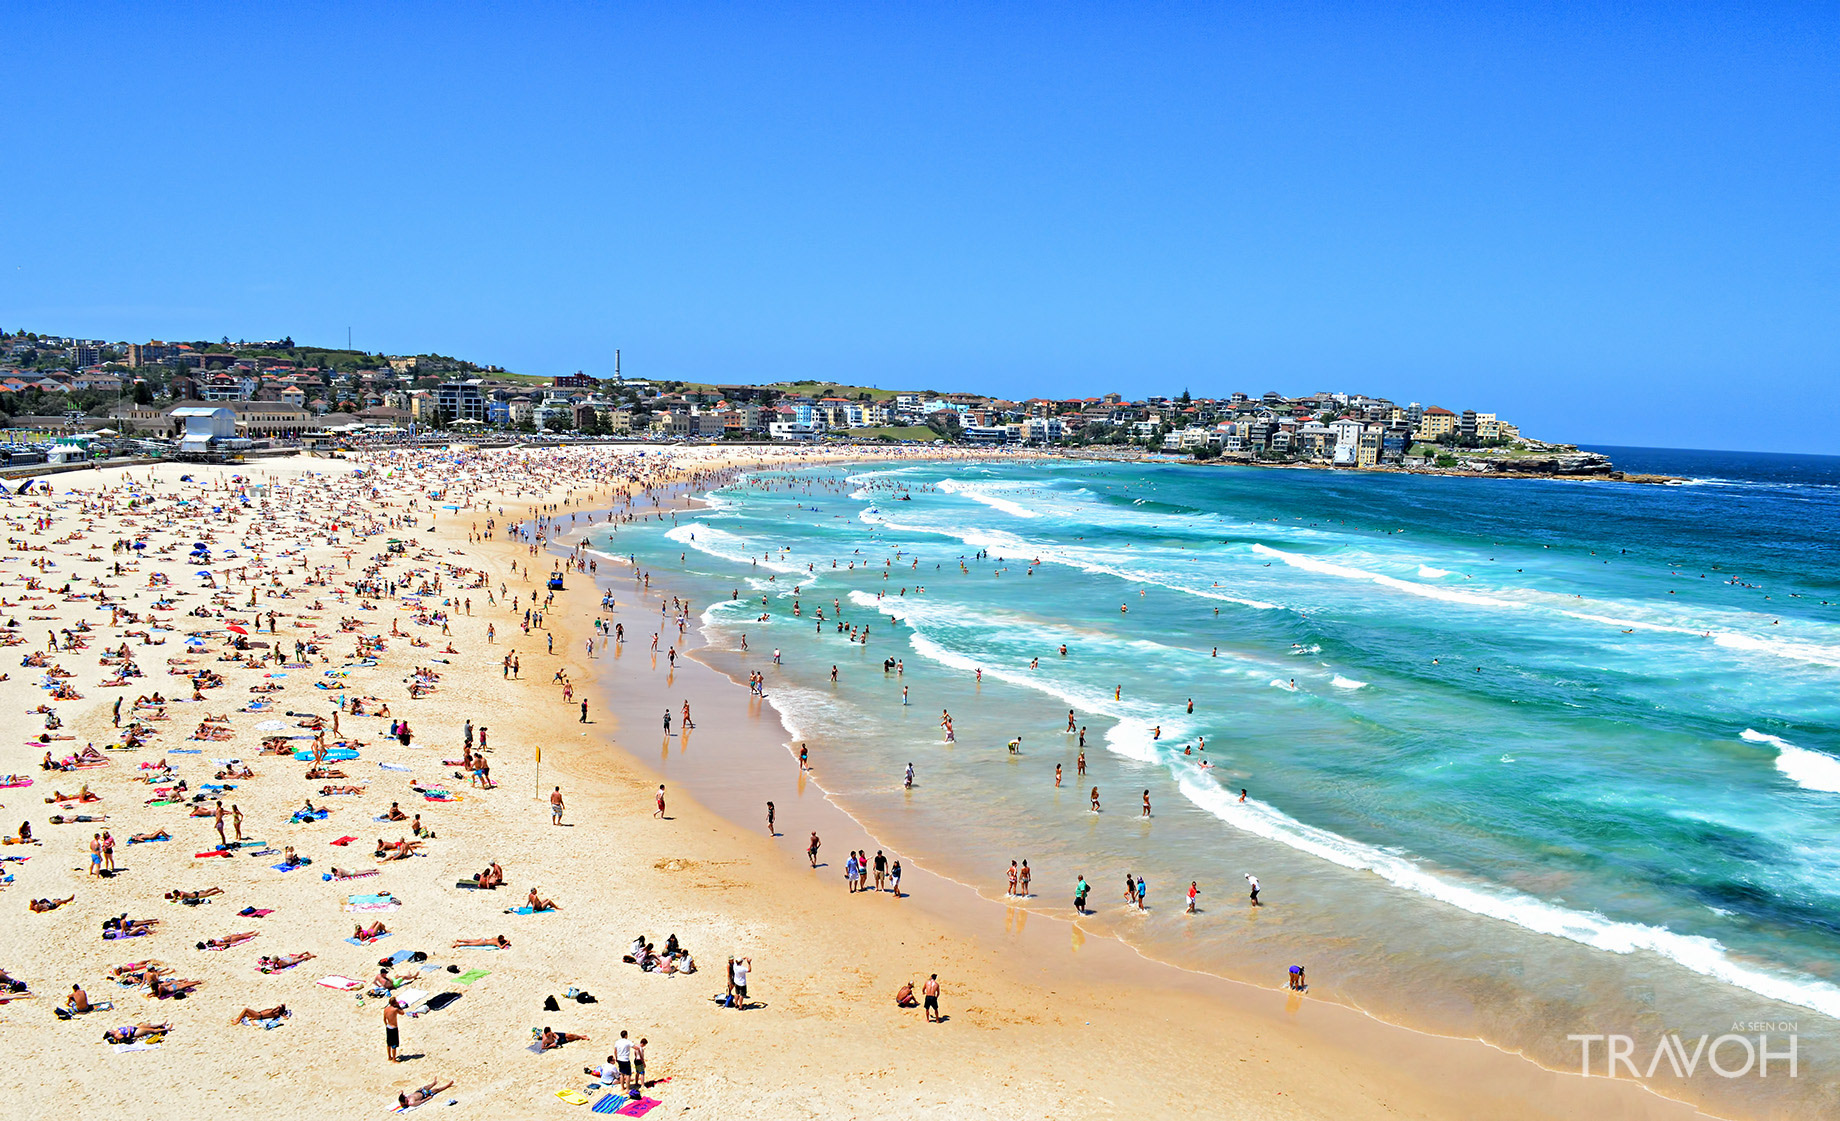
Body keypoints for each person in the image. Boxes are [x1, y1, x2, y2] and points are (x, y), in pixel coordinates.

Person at [383, 997, 402, 1062]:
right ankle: (394, 1059)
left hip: (388, 1027)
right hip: (394, 1027)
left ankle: (389, 1057)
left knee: (389, 1043)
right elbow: (402, 1013)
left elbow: (384, 1019)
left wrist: (386, 1025)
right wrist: (398, 1006)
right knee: (394, 1044)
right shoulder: (395, 1009)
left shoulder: (386, 1009)